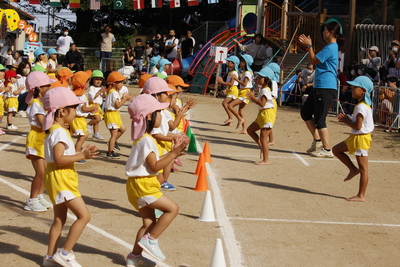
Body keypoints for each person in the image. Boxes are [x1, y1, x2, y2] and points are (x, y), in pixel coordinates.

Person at [125, 94, 187, 266]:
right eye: (159, 112)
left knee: (149, 222)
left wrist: (173, 153)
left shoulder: (144, 139)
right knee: (172, 209)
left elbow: (153, 165)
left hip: (139, 184)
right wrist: (173, 154)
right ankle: (151, 240)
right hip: (143, 185)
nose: (162, 115)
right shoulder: (147, 141)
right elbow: (154, 166)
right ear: (150, 116)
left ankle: (134, 257)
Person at [41, 87, 98, 267]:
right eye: (74, 108)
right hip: (62, 177)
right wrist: (82, 156)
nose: (77, 112)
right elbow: (59, 158)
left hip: (56, 176)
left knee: (59, 219)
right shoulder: (58, 132)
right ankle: (65, 253)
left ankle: (50, 257)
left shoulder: (56, 129)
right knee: (84, 216)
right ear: (62, 111)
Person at [298, 20, 345, 158]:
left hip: (326, 86)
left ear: (331, 32)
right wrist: (309, 46)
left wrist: (309, 46)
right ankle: (318, 141)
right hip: (319, 86)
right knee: (305, 112)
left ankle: (327, 149)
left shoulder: (331, 47)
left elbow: (313, 61)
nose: (323, 33)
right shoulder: (329, 47)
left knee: (320, 119)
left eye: (325, 30)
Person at [332, 76, 374, 202]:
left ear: (364, 91)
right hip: (355, 137)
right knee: (336, 150)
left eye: (355, 88)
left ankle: (361, 195)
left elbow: (358, 126)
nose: (352, 89)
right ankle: (352, 169)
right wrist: (348, 118)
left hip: (361, 139)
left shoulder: (362, 106)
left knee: (364, 169)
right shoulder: (361, 105)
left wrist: (346, 121)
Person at [24, 71, 54, 212]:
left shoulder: (40, 103)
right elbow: (44, 124)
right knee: (40, 172)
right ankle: (32, 199)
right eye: (47, 85)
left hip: (42, 138)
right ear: (38, 88)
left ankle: (39, 195)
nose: (49, 87)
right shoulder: (35, 104)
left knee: (45, 171)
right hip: (36, 139)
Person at [246, 66, 277, 165]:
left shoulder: (265, 90)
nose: (258, 79)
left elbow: (262, 103)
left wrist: (252, 97)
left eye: (260, 77)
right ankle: (262, 146)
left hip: (267, 115)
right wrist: (253, 98)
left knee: (264, 138)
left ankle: (266, 160)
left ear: (267, 79)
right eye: (258, 77)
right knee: (250, 130)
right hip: (262, 114)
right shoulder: (264, 89)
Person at [70, 70, 98, 164]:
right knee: (81, 137)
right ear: (83, 84)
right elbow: (84, 108)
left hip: (74, 118)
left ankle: (71, 150)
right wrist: (92, 108)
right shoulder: (81, 96)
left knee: (81, 135)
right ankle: (76, 154)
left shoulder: (73, 93)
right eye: (87, 81)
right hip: (79, 119)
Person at [104, 71, 132, 158]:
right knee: (113, 134)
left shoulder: (113, 92)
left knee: (123, 129)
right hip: (111, 114)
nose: (122, 84)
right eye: (120, 82)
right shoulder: (113, 92)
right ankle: (110, 151)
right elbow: (118, 105)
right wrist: (124, 99)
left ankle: (112, 142)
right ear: (114, 83)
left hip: (115, 114)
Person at [228, 54, 254, 134]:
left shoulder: (247, 73)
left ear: (245, 63)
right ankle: (244, 129)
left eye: (242, 62)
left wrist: (236, 79)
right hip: (243, 92)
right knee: (241, 111)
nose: (240, 63)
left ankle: (239, 119)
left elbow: (245, 84)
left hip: (245, 92)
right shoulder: (246, 72)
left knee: (230, 105)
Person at [216, 56, 240, 126]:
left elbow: (231, 83)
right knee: (229, 105)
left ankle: (230, 118)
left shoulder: (234, 73)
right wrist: (226, 89)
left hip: (233, 90)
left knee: (225, 103)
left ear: (234, 64)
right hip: (230, 90)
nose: (228, 63)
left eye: (230, 62)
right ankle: (230, 121)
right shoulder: (231, 72)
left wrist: (222, 82)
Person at [88, 70, 107, 140]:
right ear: (92, 80)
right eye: (96, 79)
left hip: (98, 106)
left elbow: (104, 97)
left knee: (97, 120)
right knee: (97, 118)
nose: (98, 81)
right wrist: (100, 91)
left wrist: (104, 92)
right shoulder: (91, 88)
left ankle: (96, 133)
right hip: (92, 105)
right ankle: (88, 125)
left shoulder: (100, 88)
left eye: (100, 79)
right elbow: (92, 97)